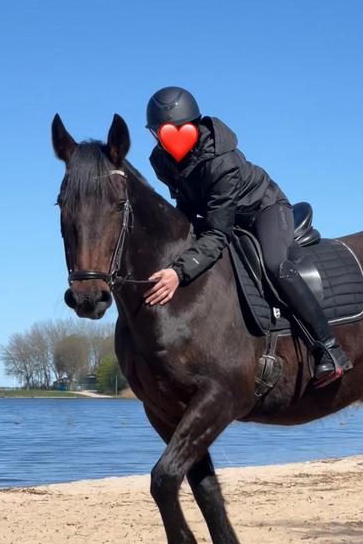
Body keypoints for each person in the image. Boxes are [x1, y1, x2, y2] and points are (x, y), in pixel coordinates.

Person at [144, 86, 352, 387]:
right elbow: (187, 208)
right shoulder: (160, 160)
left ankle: (330, 349)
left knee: (275, 264)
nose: (169, 139)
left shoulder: (222, 162)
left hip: (264, 209)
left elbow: (218, 232)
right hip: (219, 215)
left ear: (194, 125)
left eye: (178, 130)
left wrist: (179, 273)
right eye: (161, 133)